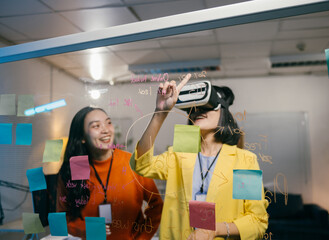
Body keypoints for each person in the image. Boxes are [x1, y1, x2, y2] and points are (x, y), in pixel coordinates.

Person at [130, 74, 269, 240]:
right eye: (193, 108)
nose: (198, 111)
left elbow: (257, 221)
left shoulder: (244, 160)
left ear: (223, 112)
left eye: (206, 106)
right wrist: (160, 113)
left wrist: (214, 230)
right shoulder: (180, 153)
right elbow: (142, 165)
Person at [57, 107, 163, 239]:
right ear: (82, 137)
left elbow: (157, 205)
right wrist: (85, 229)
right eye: (96, 126)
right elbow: (63, 217)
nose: (106, 130)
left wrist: (142, 238)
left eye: (108, 122)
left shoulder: (131, 163)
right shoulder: (77, 167)